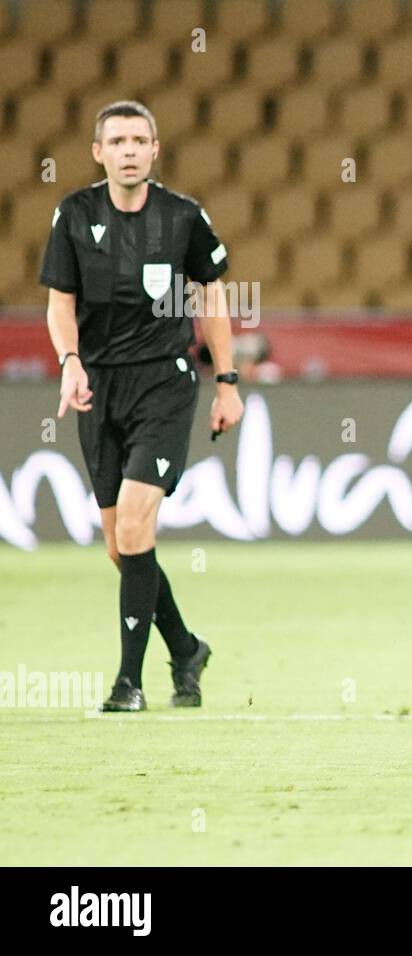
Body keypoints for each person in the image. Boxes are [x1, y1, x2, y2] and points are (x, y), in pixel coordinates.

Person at [40, 100, 243, 712]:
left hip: (164, 381)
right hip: (100, 387)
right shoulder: (73, 215)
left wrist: (227, 381)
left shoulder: (183, 218)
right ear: (98, 153)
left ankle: (129, 685)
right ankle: (185, 647)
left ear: (155, 151)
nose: (129, 149)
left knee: (133, 524)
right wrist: (71, 363)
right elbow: (59, 306)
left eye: (139, 139)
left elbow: (212, 298)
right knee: (122, 547)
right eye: (117, 140)